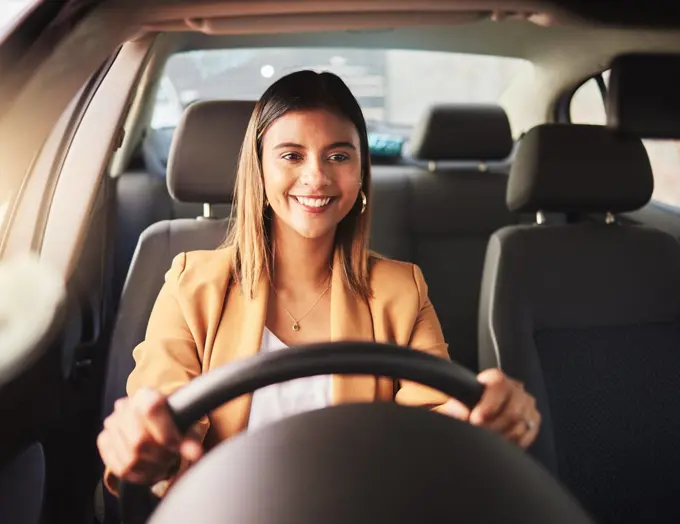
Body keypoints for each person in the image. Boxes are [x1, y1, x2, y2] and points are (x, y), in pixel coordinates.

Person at [98, 70, 540, 497]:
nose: (317, 177)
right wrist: (145, 443)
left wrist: (484, 415)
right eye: (291, 155)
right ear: (260, 169)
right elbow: (161, 416)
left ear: (362, 170)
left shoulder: (400, 289)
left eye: (339, 155)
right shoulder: (191, 283)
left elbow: (432, 419)